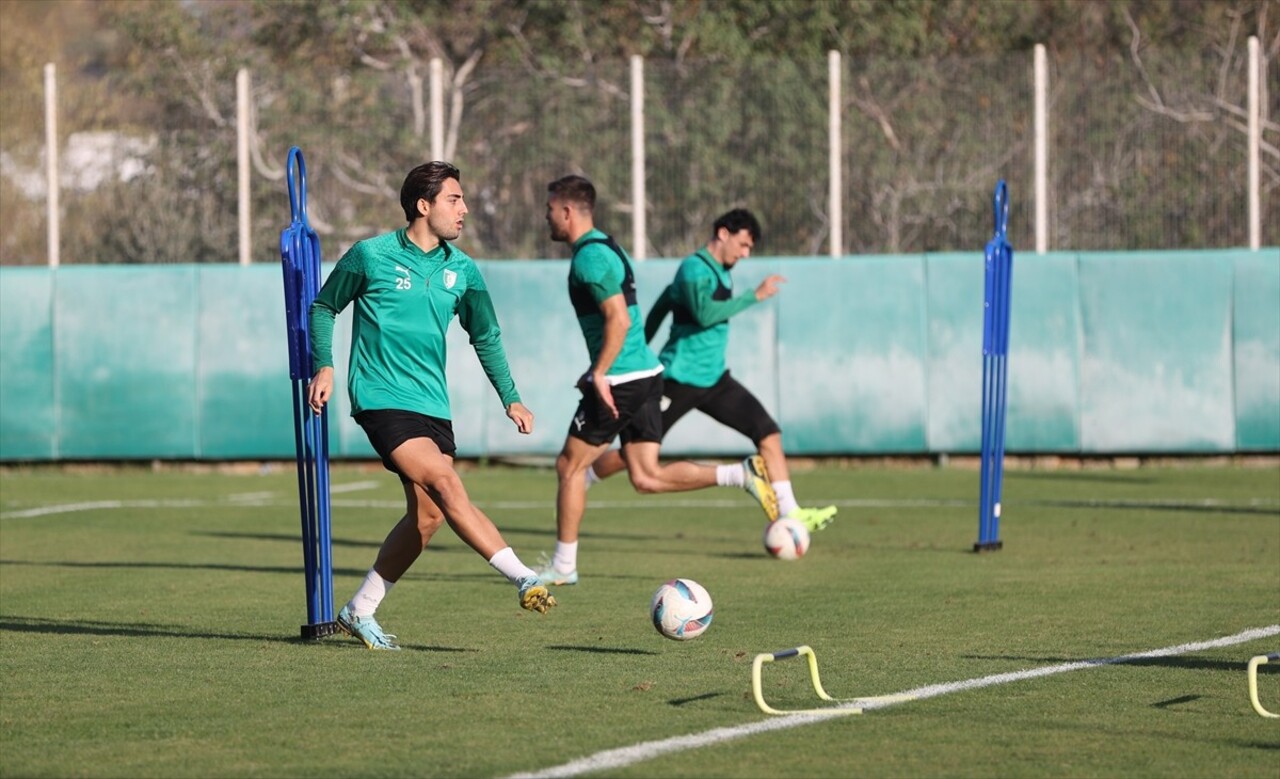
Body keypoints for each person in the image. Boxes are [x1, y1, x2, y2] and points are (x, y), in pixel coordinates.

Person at [307, 161, 555, 650]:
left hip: (432, 407)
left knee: (427, 517)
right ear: (423, 206)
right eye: (454, 200)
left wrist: (512, 397)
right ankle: (522, 576)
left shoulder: (462, 270)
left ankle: (360, 609)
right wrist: (326, 365)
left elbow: (486, 335)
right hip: (380, 398)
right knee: (445, 483)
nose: (464, 210)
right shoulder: (370, 256)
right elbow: (324, 307)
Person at [538, 175, 778, 587]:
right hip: (647, 374)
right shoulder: (608, 247)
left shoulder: (589, 259)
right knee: (645, 476)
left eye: (549, 211)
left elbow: (619, 318)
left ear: (567, 210)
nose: (547, 219)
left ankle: (563, 567)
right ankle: (739, 475)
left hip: (622, 379)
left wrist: (599, 372)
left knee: (569, 466)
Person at [584, 209, 837, 532]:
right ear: (722, 233)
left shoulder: (723, 272)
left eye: (749, 249)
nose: (745, 254)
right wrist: (754, 296)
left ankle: (791, 514)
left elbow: (663, 305)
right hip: (678, 380)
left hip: (715, 380)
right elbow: (701, 314)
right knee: (634, 458)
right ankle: (584, 479)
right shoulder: (693, 268)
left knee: (768, 433)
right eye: (743, 245)